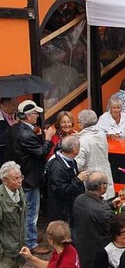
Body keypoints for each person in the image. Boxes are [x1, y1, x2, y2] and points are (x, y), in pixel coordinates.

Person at [9, 100, 55, 255]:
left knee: (26, 210)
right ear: (28, 116)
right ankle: (31, 243)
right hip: (30, 178)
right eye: (35, 113)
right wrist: (48, 138)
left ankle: (30, 236)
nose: (37, 116)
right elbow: (41, 154)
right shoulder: (26, 134)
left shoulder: (16, 128)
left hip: (23, 175)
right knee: (31, 212)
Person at [72, 172, 122, 268]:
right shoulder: (103, 212)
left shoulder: (79, 199)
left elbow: (95, 208)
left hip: (82, 248)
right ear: (102, 187)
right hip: (98, 254)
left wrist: (110, 204)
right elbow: (119, 226)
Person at [45, 135, 88, 222]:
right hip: (61, 212)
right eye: (79, 147)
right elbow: (62, 191)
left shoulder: (70, 160)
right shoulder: (58, 167)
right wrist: (78, 180)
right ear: (75, 149)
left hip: (69, 208)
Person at [75, 109, 115, 200]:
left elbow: (79, 165)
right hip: (105, 174)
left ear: (81, 123)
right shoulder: (101, 134)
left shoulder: (82, 141)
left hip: (92, 179)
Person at [0, 161, 27, 267]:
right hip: (5, 254)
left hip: (18, 250)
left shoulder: (19, 191)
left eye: (20, 177)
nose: (19, 181)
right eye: (15, 178)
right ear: (4, 180)